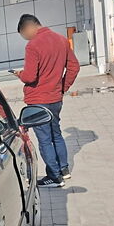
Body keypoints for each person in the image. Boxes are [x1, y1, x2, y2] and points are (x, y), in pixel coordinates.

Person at [14, 14, 80, 188]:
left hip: (38, 100)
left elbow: (29, 76)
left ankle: (54, 176)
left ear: (28, 28)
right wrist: (62, 88)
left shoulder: (33, 45)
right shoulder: (60, 40)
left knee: (44, 139)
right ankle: (64, 171)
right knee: (56, 134)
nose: (25, 38)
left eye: (23, 34)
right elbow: (74, 66)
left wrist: (19, 74)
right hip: (55, 98)